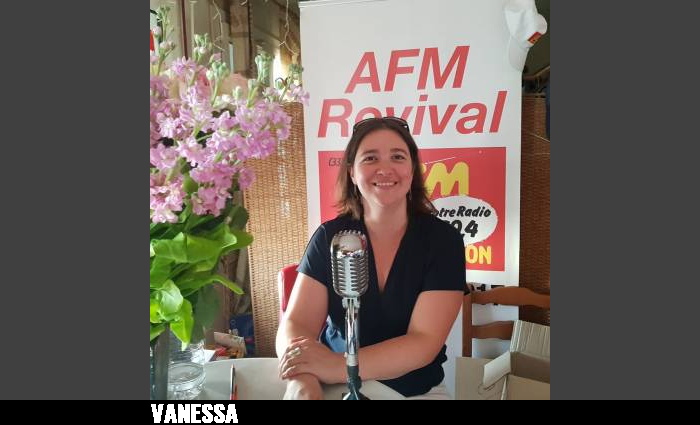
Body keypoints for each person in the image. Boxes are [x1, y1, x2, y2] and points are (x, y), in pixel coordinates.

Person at [275, 116, 466, 400]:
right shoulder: (329, 237)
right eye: (370, 158)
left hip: (413, 391)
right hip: (332, 386)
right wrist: (303, 379)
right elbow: (297, 324)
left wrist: (338, 366)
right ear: (352, 172)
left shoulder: (443, 241)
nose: (385, 169)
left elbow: (423, 342)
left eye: (397, 157)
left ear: (412, 170)